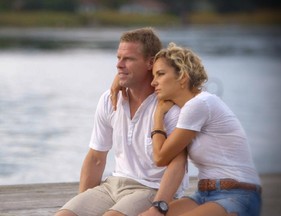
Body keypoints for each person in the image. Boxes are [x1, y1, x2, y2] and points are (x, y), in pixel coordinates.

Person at [55, 28, 188, 216]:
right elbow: (96, 158)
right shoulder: (109, 100)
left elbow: (178, 165)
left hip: (151, 188)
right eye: (118, 58)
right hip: (113, 185)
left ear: (151, 63)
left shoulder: (171, 107)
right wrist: (82, 204)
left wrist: (160, 206)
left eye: (129, 59)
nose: (119, 65)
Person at [144, 42, 262, 216]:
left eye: (160, 74)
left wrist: (158, 116)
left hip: (238, 194)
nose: (153, 82)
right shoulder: (187, 110)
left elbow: (160, 157)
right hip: (203, 194)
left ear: (182, 77)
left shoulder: (199, 104)